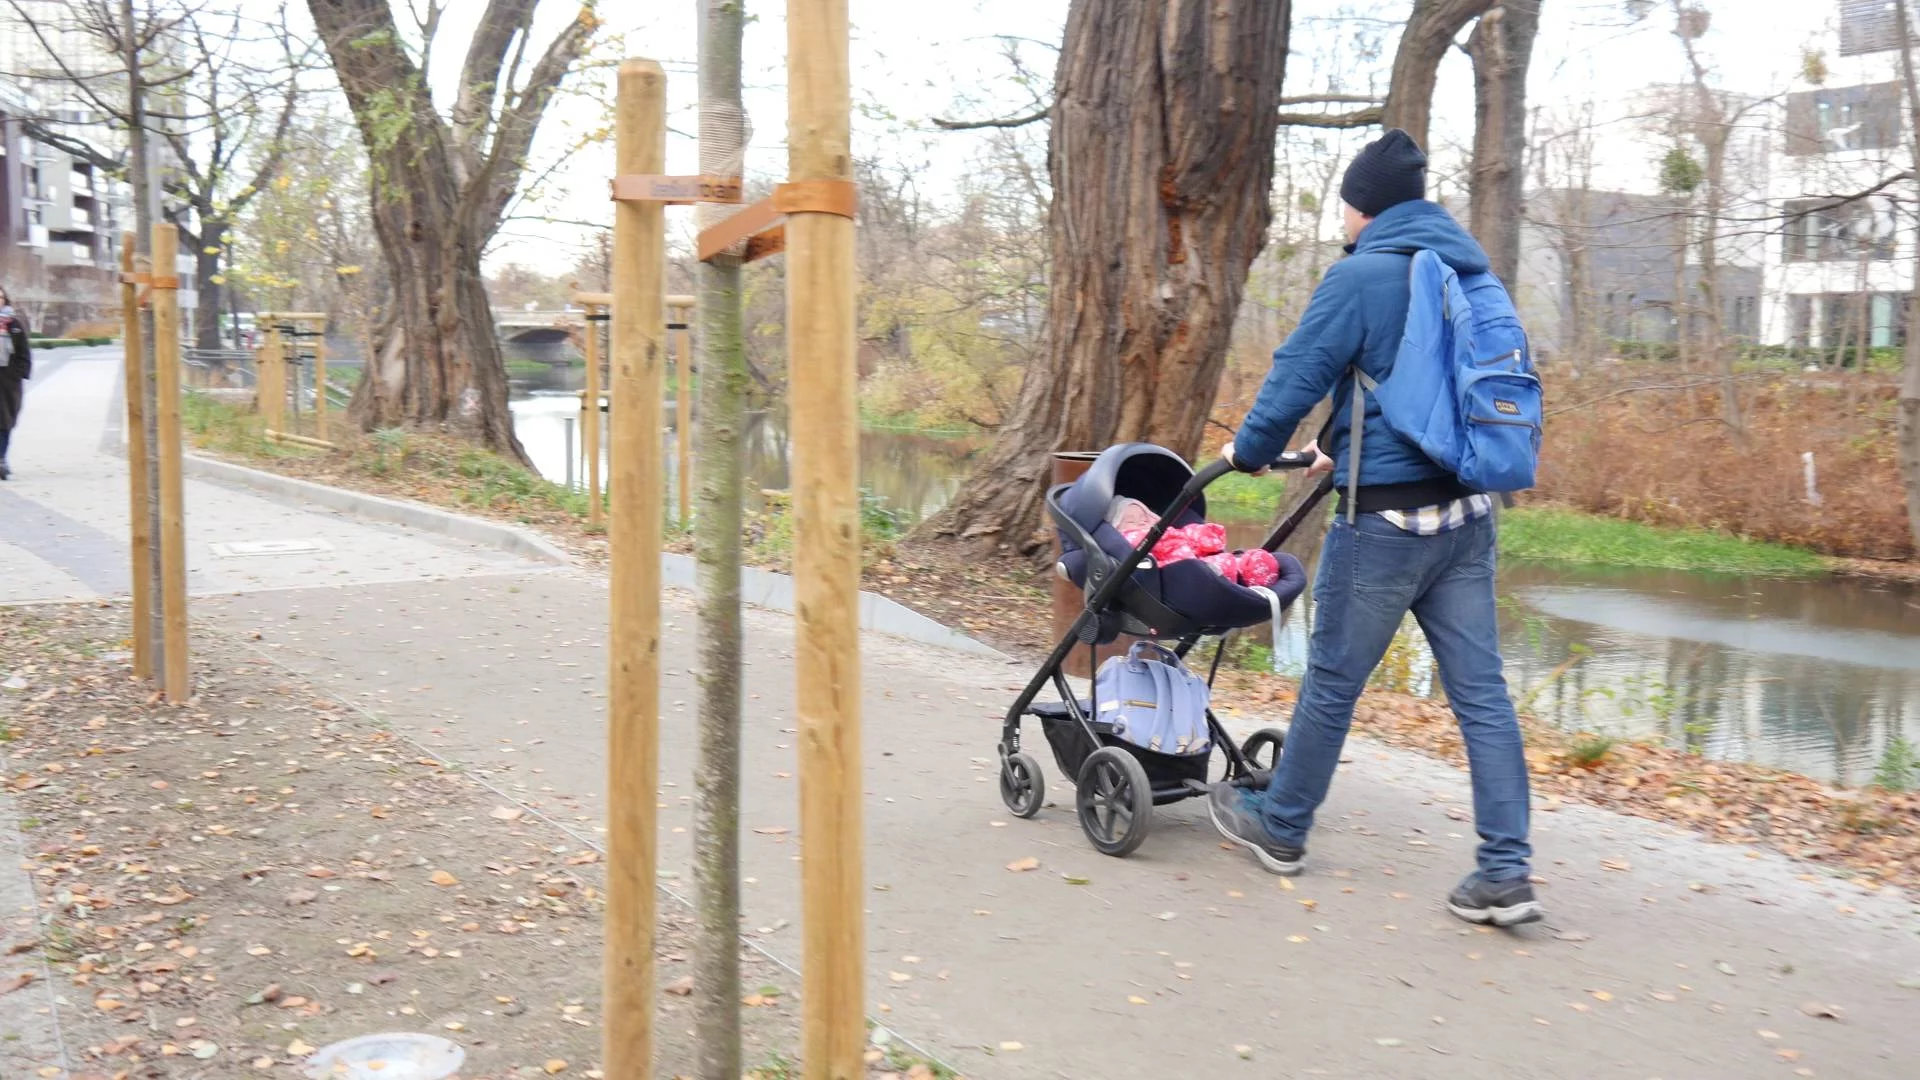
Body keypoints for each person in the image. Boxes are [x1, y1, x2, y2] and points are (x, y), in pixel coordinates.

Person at [1208, 129, 1540, 927]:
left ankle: (1281, 829)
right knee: (1484, 698)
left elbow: (1297, 376)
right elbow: (1414, 384)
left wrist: (1249, 452)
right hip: (1467, 520)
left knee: (1332, 682)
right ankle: (1505, 872)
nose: (1345, 221)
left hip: (1384, 525)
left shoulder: (1360, 275)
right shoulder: (1471, 271)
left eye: (1347, 208)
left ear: (1362, 209)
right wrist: (1340, 441)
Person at [0, 287, 30, 481]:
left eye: (1, 297)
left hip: (8, 381)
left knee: (6, 419)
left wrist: (17, 374)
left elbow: (24, 353)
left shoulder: (14, 325)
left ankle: (1, 459)